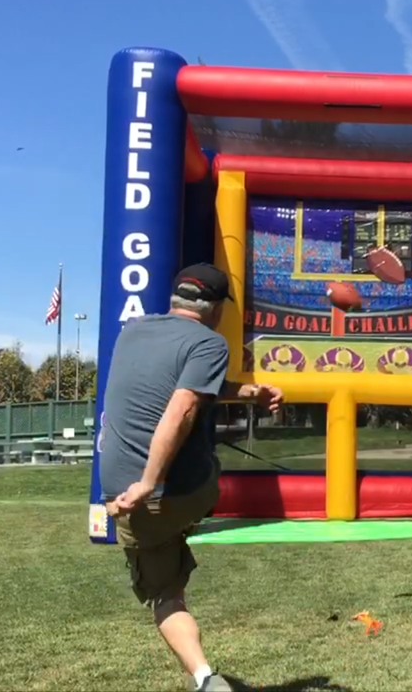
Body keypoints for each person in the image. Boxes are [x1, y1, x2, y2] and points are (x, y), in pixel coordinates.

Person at [100, 263, 282, 692]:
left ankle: (205, 678)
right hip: (179, 491)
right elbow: (182, 406)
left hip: (120, 492)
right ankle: (182, 527)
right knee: (199, 453)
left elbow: (181, 385)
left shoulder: (133, 331)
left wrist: (249, 393)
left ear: (176, 298)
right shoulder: (209, 342)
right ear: (215, 307)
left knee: (166, 596)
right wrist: (149, 480)